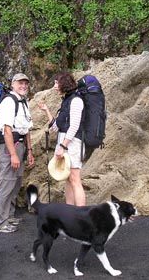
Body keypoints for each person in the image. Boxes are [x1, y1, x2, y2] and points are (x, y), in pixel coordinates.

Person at [0, 73, 35, 233]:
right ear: (12, 84)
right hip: (10, 147)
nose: (24, 86)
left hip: (22, 146)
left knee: (16, 183)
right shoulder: (8, 102)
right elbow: (7, 131)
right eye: (20, 83)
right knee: (6, 183)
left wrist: (29, 151)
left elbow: (27, 129)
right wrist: (13, 154)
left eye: (26, 83)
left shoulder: (23, 102)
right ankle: (0, 223)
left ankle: (9, 216)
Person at [38, 72, 86, 206]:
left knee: (75, 180)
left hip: (73, 144)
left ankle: (81, 215)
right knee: (69, 179)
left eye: (56, 83)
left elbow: (75, 126)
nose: (54, 87)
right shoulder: (66, 101)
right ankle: (70, 212)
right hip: (66, 142)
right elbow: (57, 127)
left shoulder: (76, 100)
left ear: (64, 84)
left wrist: (63, 147)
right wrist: (46, 110)